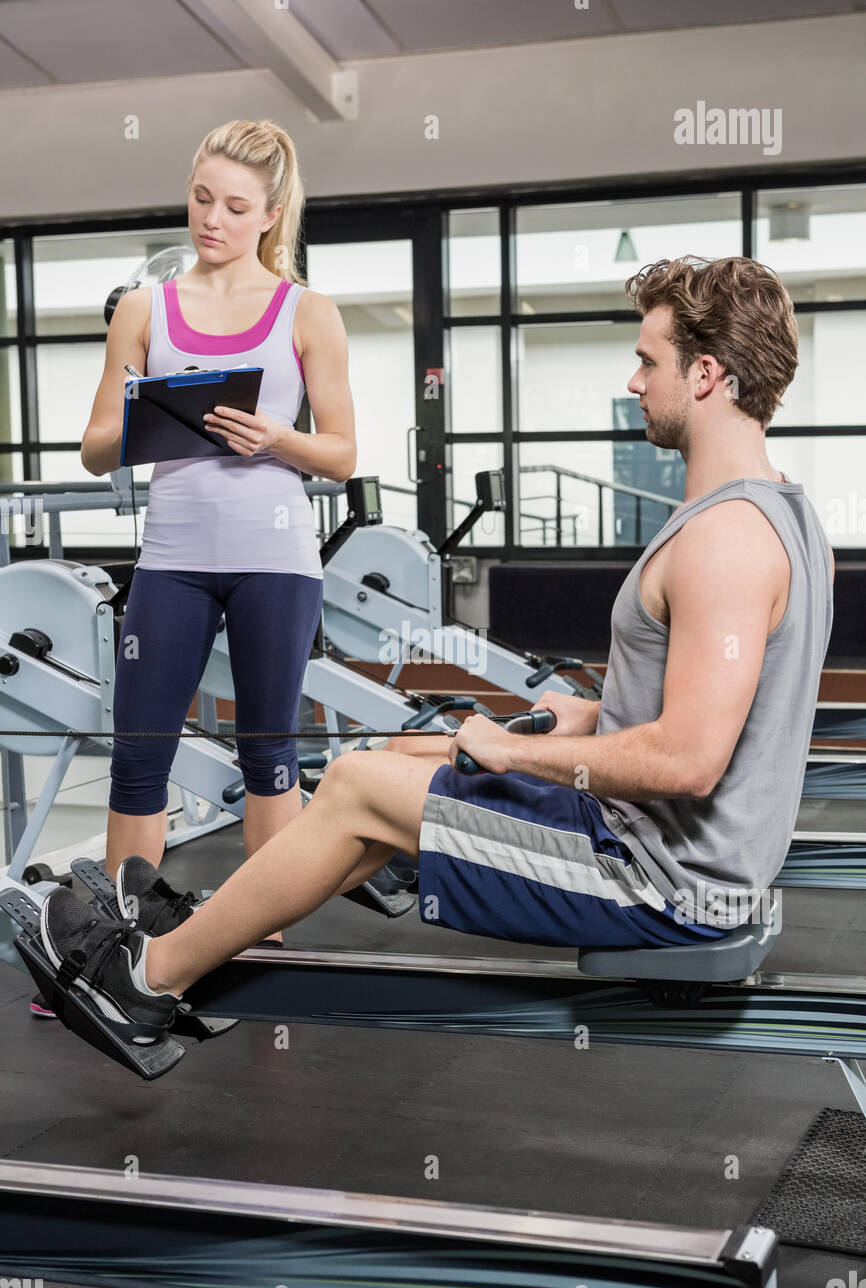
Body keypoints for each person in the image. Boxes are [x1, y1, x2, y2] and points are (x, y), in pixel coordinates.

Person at [36, 254, 834, 1055]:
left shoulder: (724, 542)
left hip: (657, 881)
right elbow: (700, 705)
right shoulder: (781, 511)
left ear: (705, 375)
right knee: (398, 751)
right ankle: (212, 928)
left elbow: (690, 761)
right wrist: (583, 718)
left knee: (356, 786)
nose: (634, 382)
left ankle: (144, 981)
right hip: (651, 839)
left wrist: (507, 753)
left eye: (647, 360)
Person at [80, 119, 354, 936]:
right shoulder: (144, 309)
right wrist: (153, 417)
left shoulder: (309, 313)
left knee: (269, 760)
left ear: (270, 214)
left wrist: (277, 437)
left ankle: (259, 941)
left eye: (236, 207)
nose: (212, 219)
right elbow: (95, 450)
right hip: (173, 558)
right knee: (137, 762)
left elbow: (341, 453)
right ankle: (110, 947)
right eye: (202, 198)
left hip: (275, 558)